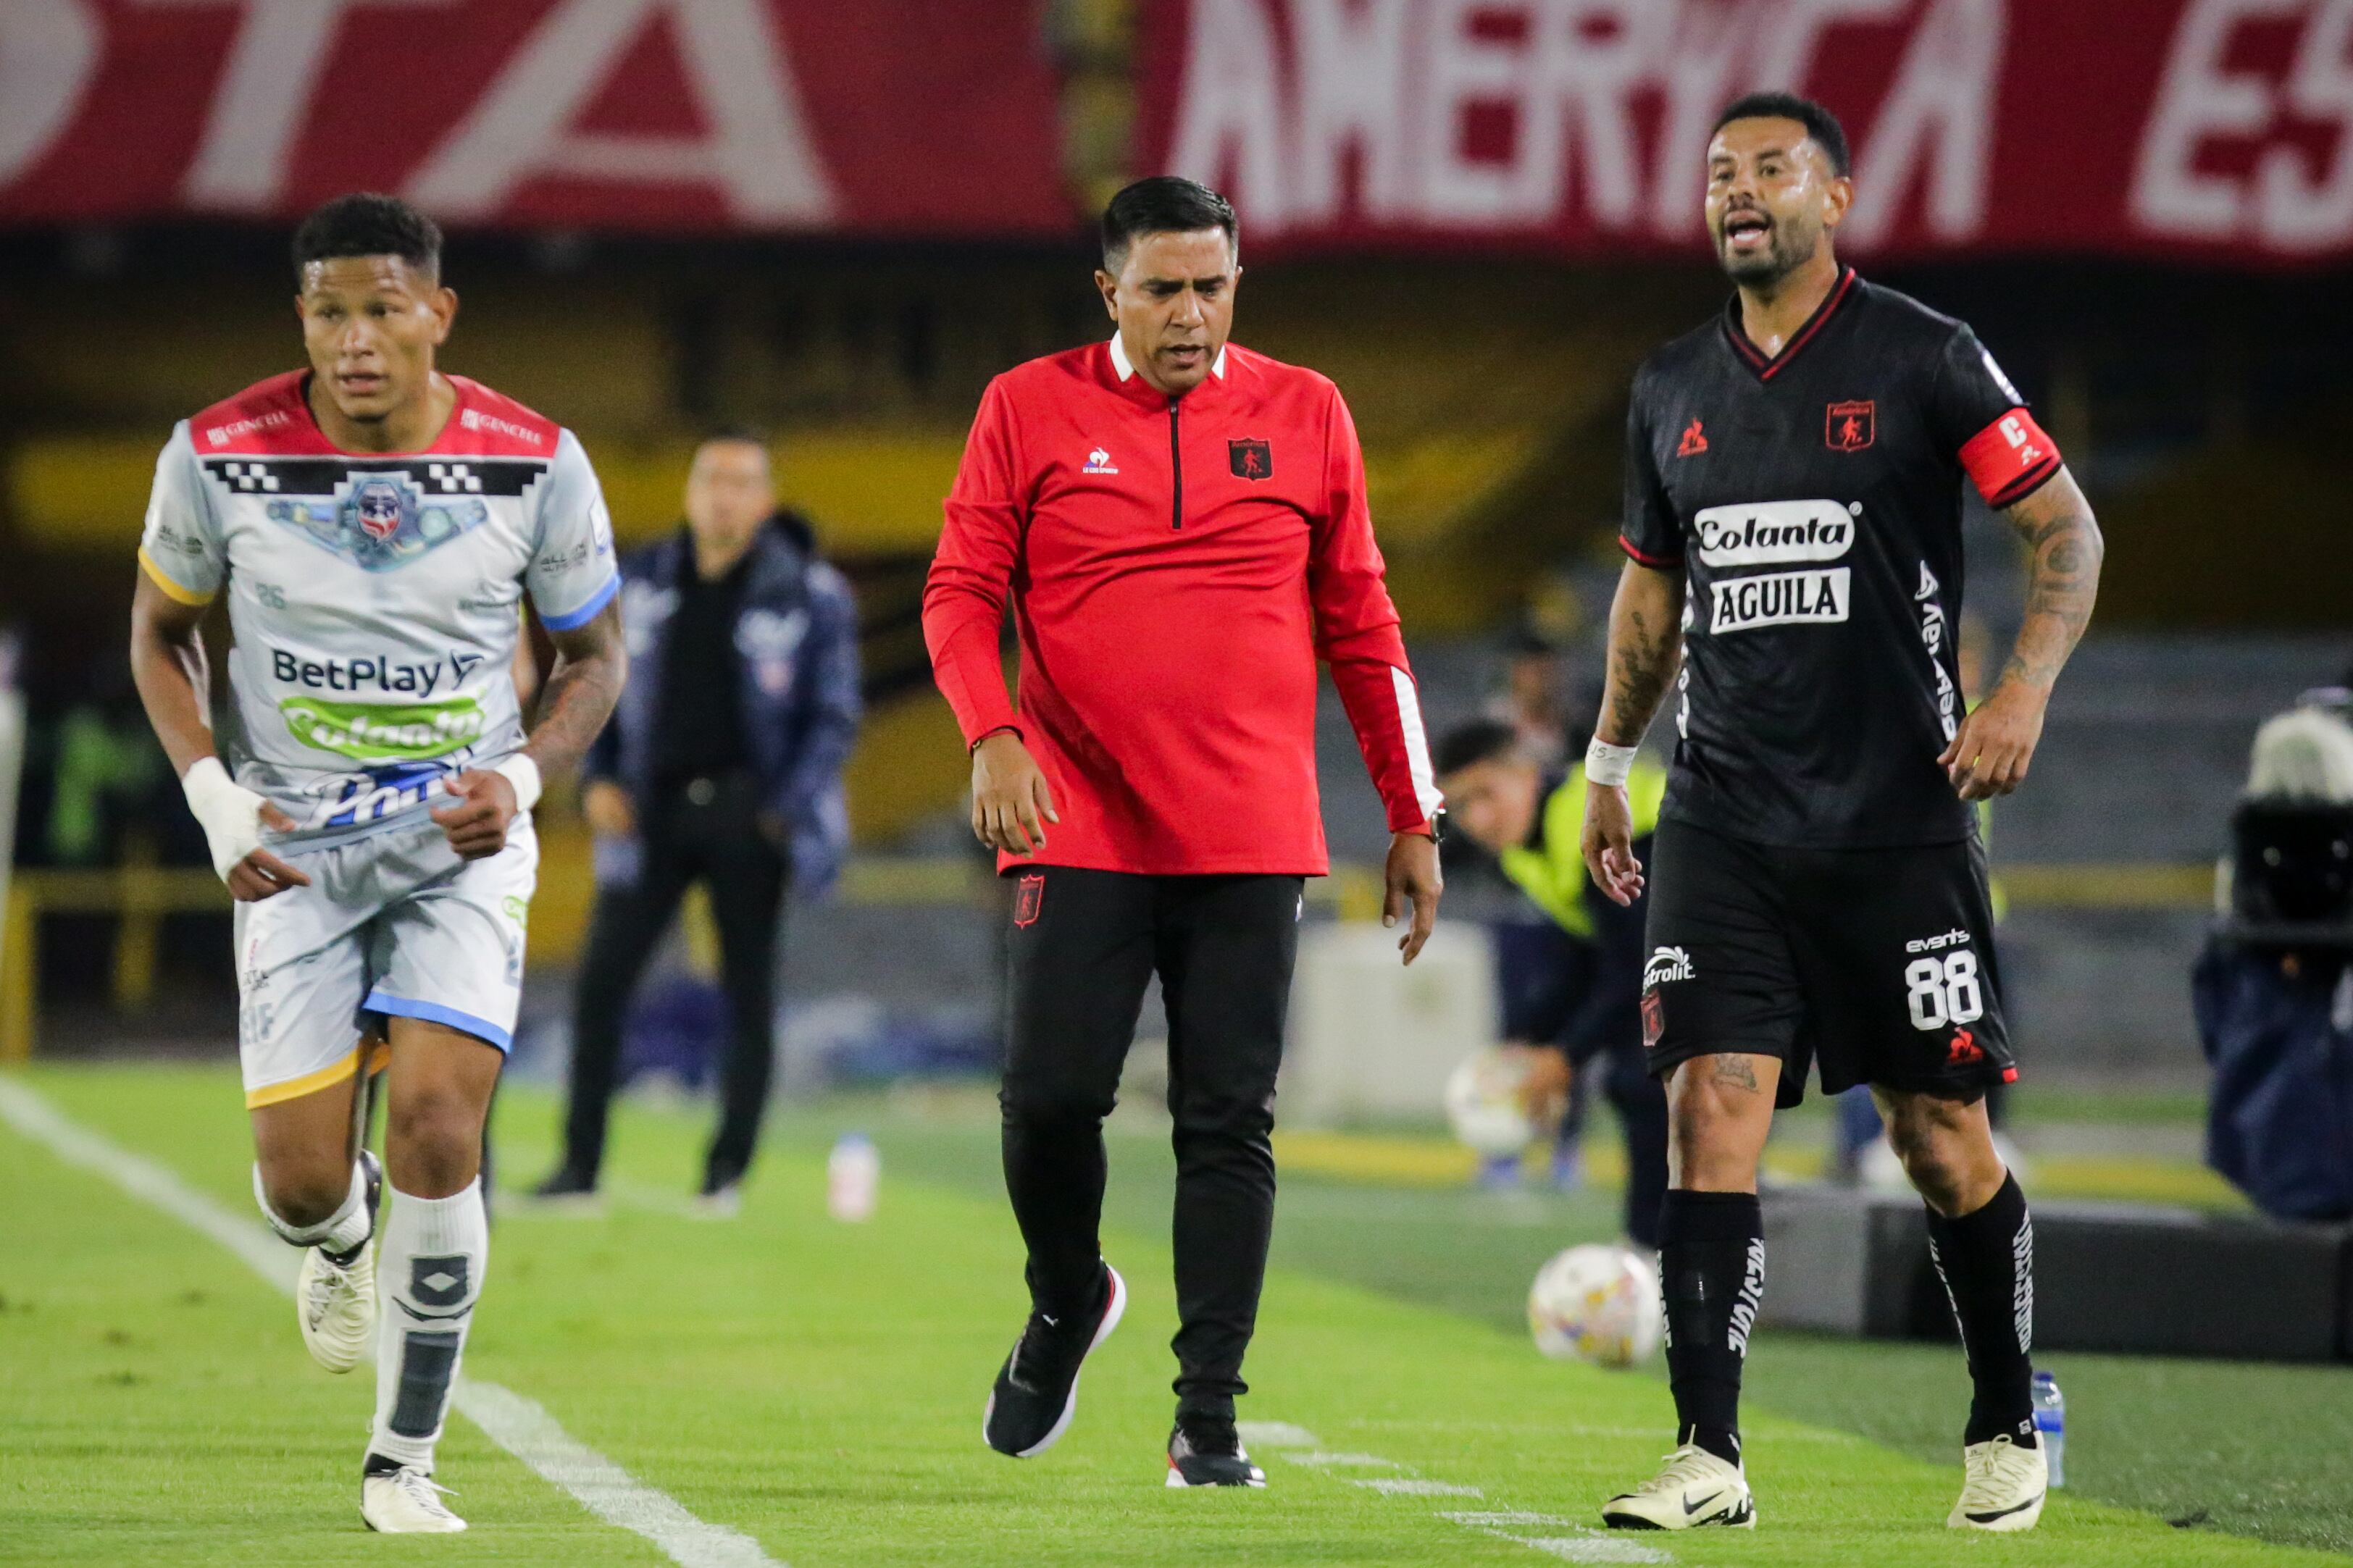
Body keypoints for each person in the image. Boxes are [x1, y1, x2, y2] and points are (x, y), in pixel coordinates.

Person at [1581, 94, 2102, 1533]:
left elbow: (2066, 528)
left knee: (1935, 1130)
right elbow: (1649, 596)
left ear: (1839, 196)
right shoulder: (1667, 386)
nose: (1737, 193)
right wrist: (1607, 763)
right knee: (1709, 1110)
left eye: (1769, 170)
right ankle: (1708, 1451)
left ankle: (2005, 1415)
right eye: (1717, 175)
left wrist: (2023, 696)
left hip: (1897, 823)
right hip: (1724, 820)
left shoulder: (1924, 356)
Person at [923, 176, 1445, 1488]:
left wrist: (1409, 812)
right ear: (1109, 293)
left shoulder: (1307, 410)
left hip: (1248, 834)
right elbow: (959, 588)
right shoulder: (1023, 407)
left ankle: (1207, 1413)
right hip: (1076, 818)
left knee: (1227, 1124)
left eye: (1211, 287)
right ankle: (1062, 1299)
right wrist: (990, 732)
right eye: (1161, 288)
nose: (1189, 314)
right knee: (1047, 1102)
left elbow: (1365, 629)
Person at [128, 193, 626, 1533]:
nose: (356, 339)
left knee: (436, 1129)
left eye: (383, 309)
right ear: (303, 319)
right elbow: (161, 635)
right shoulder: (216, 453)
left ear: (437, 314)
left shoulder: (535, 461)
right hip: (287, 846)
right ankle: (337, 1244)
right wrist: (213, 795)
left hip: (457, 840)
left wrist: (518, 778)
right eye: (329, 311)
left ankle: (403, 1462)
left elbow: (594, 657)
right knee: (298, 1182)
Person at [534, 436, 860, 1211]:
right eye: (710, 478)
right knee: (602, 985)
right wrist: (599, 777)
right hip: (653, 812)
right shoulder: (638, 580)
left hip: (753, 811)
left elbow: (835, 712)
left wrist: (788, 804)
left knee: (747, 994)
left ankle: (725, 1174)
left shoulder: (808, 592)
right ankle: (577, 1169)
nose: (723, 495)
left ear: (766, 501)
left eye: (741, 482)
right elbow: (594, 678)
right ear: (687, 491)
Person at [1434, 718, 1668, 1251]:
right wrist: (1529, 1041)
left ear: (1524, 772)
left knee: (1644, 1076)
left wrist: (1564, 1057)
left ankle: (1651, 1250)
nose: (1478, 819)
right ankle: (1653, 1248)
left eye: (1485, 794)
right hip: (1681, 950)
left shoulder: (1592, 815)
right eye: (1462, 806)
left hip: (1752, 929)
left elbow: (1635, 967)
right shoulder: (1532, 847)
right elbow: (1582, 957)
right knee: (1639, 1077)